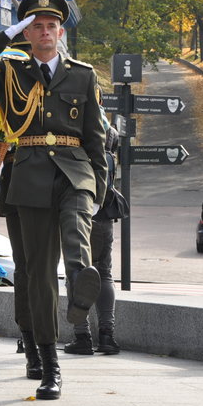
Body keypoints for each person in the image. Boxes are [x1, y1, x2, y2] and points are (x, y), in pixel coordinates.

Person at [0, 0, 107, 400]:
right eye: (36, 26)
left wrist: (102, 189)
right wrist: (6, 35)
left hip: (75, 172)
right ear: (28, 32)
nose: (44, 32)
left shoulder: (83, 74)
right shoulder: (10, 73)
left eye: (50, 25)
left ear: (61, 31)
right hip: (30, 176)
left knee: (77, 227)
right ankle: (48, 363)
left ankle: (79, 281)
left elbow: (95, 140)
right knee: (38, 274)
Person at [0, 34, 41, 379]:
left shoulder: (60, 79)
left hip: (55, 184)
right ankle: (28, 334)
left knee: (41, 267)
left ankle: (42, 334)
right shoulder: (4, 92)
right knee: (26, 266)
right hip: (17, 185)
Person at [64, 124, 122, 355]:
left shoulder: (79, 149)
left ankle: (82, 335)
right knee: (105, 273)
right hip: (105, 218)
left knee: (76, 271)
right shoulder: (110, 150)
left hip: (80, 214)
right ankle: (107, 335)